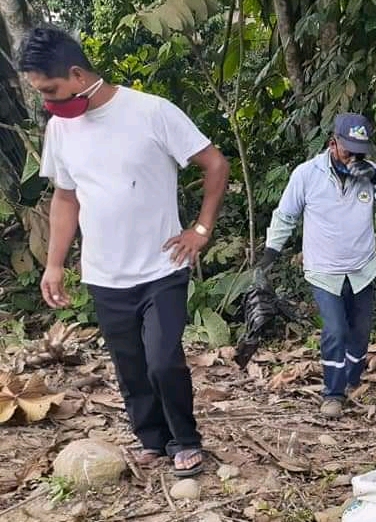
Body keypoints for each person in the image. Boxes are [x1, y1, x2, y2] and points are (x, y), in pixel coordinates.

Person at [18, 26, 230, 477]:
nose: (47, 103)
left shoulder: (151, 112)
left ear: (77, 75)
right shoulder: (59, 129)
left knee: (163, 361)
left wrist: (200, 229)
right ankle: (152, 440)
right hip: (104, 273)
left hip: (162, 267)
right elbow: (65, 197)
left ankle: (185, 440)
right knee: (130, 368)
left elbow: (215, 163)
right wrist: (54, 263)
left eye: (50, 90)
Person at [257, 113, 376, 418]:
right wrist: (270, 253)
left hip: (362, 269)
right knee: (336, 330)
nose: (353, 158)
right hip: (324, 271)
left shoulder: (371, 173)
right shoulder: (306, 174)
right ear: (332, 143)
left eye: (359, 152)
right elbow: (285, 216)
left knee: (360, 333)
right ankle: (333, 393)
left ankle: (351, 379)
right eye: (348, 150)